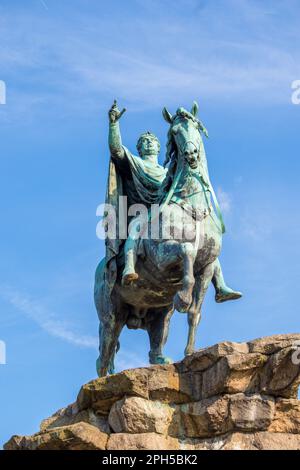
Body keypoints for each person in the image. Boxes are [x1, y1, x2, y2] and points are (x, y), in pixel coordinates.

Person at [108, 101, 242, 302]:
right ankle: (129, 266)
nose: (149, 143)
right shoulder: (136, 163)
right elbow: (117, 150)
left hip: (170, 208)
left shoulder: (166, 171)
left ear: (160, 146)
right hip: (147, 211)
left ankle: (220, 285)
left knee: (203, 234)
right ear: (139, 147)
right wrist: (113, 125)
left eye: (152, 141)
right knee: (136, 225)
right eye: (144, 141)